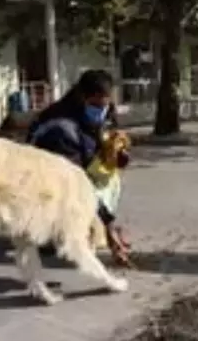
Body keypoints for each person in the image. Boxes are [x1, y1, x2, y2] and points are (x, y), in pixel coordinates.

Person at [27, 69, 131, 263]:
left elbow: (108, 139)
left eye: (105, 103)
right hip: (43, 172)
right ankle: (51, 232)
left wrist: (118, 155)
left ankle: (90, 226)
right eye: (95, 104)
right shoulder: (60, 127)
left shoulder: (106, 111)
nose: (101, 109)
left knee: (108, 180)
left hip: (80, 158)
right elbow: (78, 180)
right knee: (72, 196)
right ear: (82, 97)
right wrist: (109, 228)